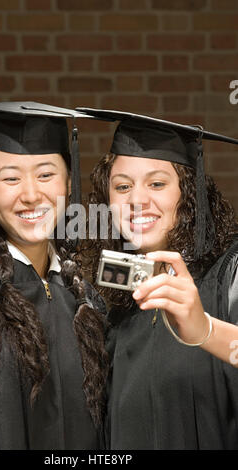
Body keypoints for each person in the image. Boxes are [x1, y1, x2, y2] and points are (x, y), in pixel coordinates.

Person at [0, 101, 109, 450]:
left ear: (68, 182)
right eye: (11, 178)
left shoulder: (84, 298)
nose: (31, 195)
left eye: (46, 175)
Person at [77, 106, 238, 449]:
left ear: (189, 192)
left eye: (157, 183)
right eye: (122, 187)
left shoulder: (231, 272)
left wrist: (205, 329)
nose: (137, 200)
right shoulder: (121, 301)